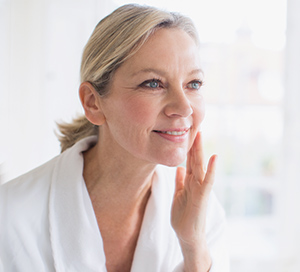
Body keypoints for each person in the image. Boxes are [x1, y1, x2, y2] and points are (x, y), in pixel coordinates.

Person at [0, 4, 228, 272]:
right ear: (93, 103)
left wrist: (193, 247)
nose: (184, 107)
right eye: (153, 83)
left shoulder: (202, 215)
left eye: (194, 84)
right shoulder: (10, 219)